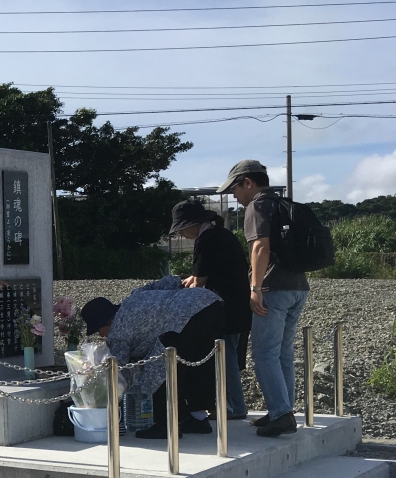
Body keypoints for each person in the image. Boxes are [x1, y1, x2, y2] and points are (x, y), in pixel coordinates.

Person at [218, 159, 308, 438]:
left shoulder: (257, 205)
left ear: (248, 182)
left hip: (272, 288)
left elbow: (260, 246)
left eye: (234, 189)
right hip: (298, 287)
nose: (234, 195)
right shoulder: (282, 203)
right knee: (283, 353)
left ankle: (281, 415)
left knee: (264, 354)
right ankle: (283, 409)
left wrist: (255, 287)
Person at [81, 278, 224, 439]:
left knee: (159, 372)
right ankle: (198, 419)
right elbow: (170, 281)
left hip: (181, 318)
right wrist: (183, 282)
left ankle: (165, 425)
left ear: (105, 322)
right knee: (199, 366)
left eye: (98, 330)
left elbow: (119, 372)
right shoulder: (134, 296)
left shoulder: (117, 331)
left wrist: (106, 397)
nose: (101, 336)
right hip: (211, 303)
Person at [169, 199, 252, 420]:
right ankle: (233, 405)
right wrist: (193, 278)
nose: (182, 234)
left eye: (182, 229)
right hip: (240, 302)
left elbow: (200, 280)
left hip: (225, 307)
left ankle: (234, 407)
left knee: (226, 357)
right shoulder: (223, 234)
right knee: (230, 354)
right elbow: (206, 272)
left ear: (192, 224)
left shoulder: (205, 240)